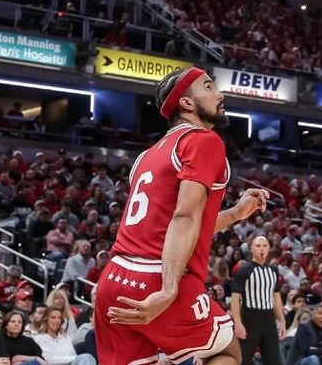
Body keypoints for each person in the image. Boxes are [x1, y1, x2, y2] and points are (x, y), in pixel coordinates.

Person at [93, 66, 270, 365]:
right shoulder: (203, 140)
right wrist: (168, 289)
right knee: (227, 352)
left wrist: (237, 213)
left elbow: (175, 223)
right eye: (209, 87)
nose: (220, 94)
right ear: (187, 103)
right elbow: (184, 217)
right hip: (156, 276)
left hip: (113, 279)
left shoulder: (145, 157)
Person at [231, 236, 285, 365]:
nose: (261, 248)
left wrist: (282, 320)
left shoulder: (274, 270)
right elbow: (235, 299)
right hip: (250, 317)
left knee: (273, 359)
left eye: (264, 246)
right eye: (258, 246)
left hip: (269, 318)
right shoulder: (244, 271)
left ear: (269, 249)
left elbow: (276, 297)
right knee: (244, 358)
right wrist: (238, 323)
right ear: (252, 249)